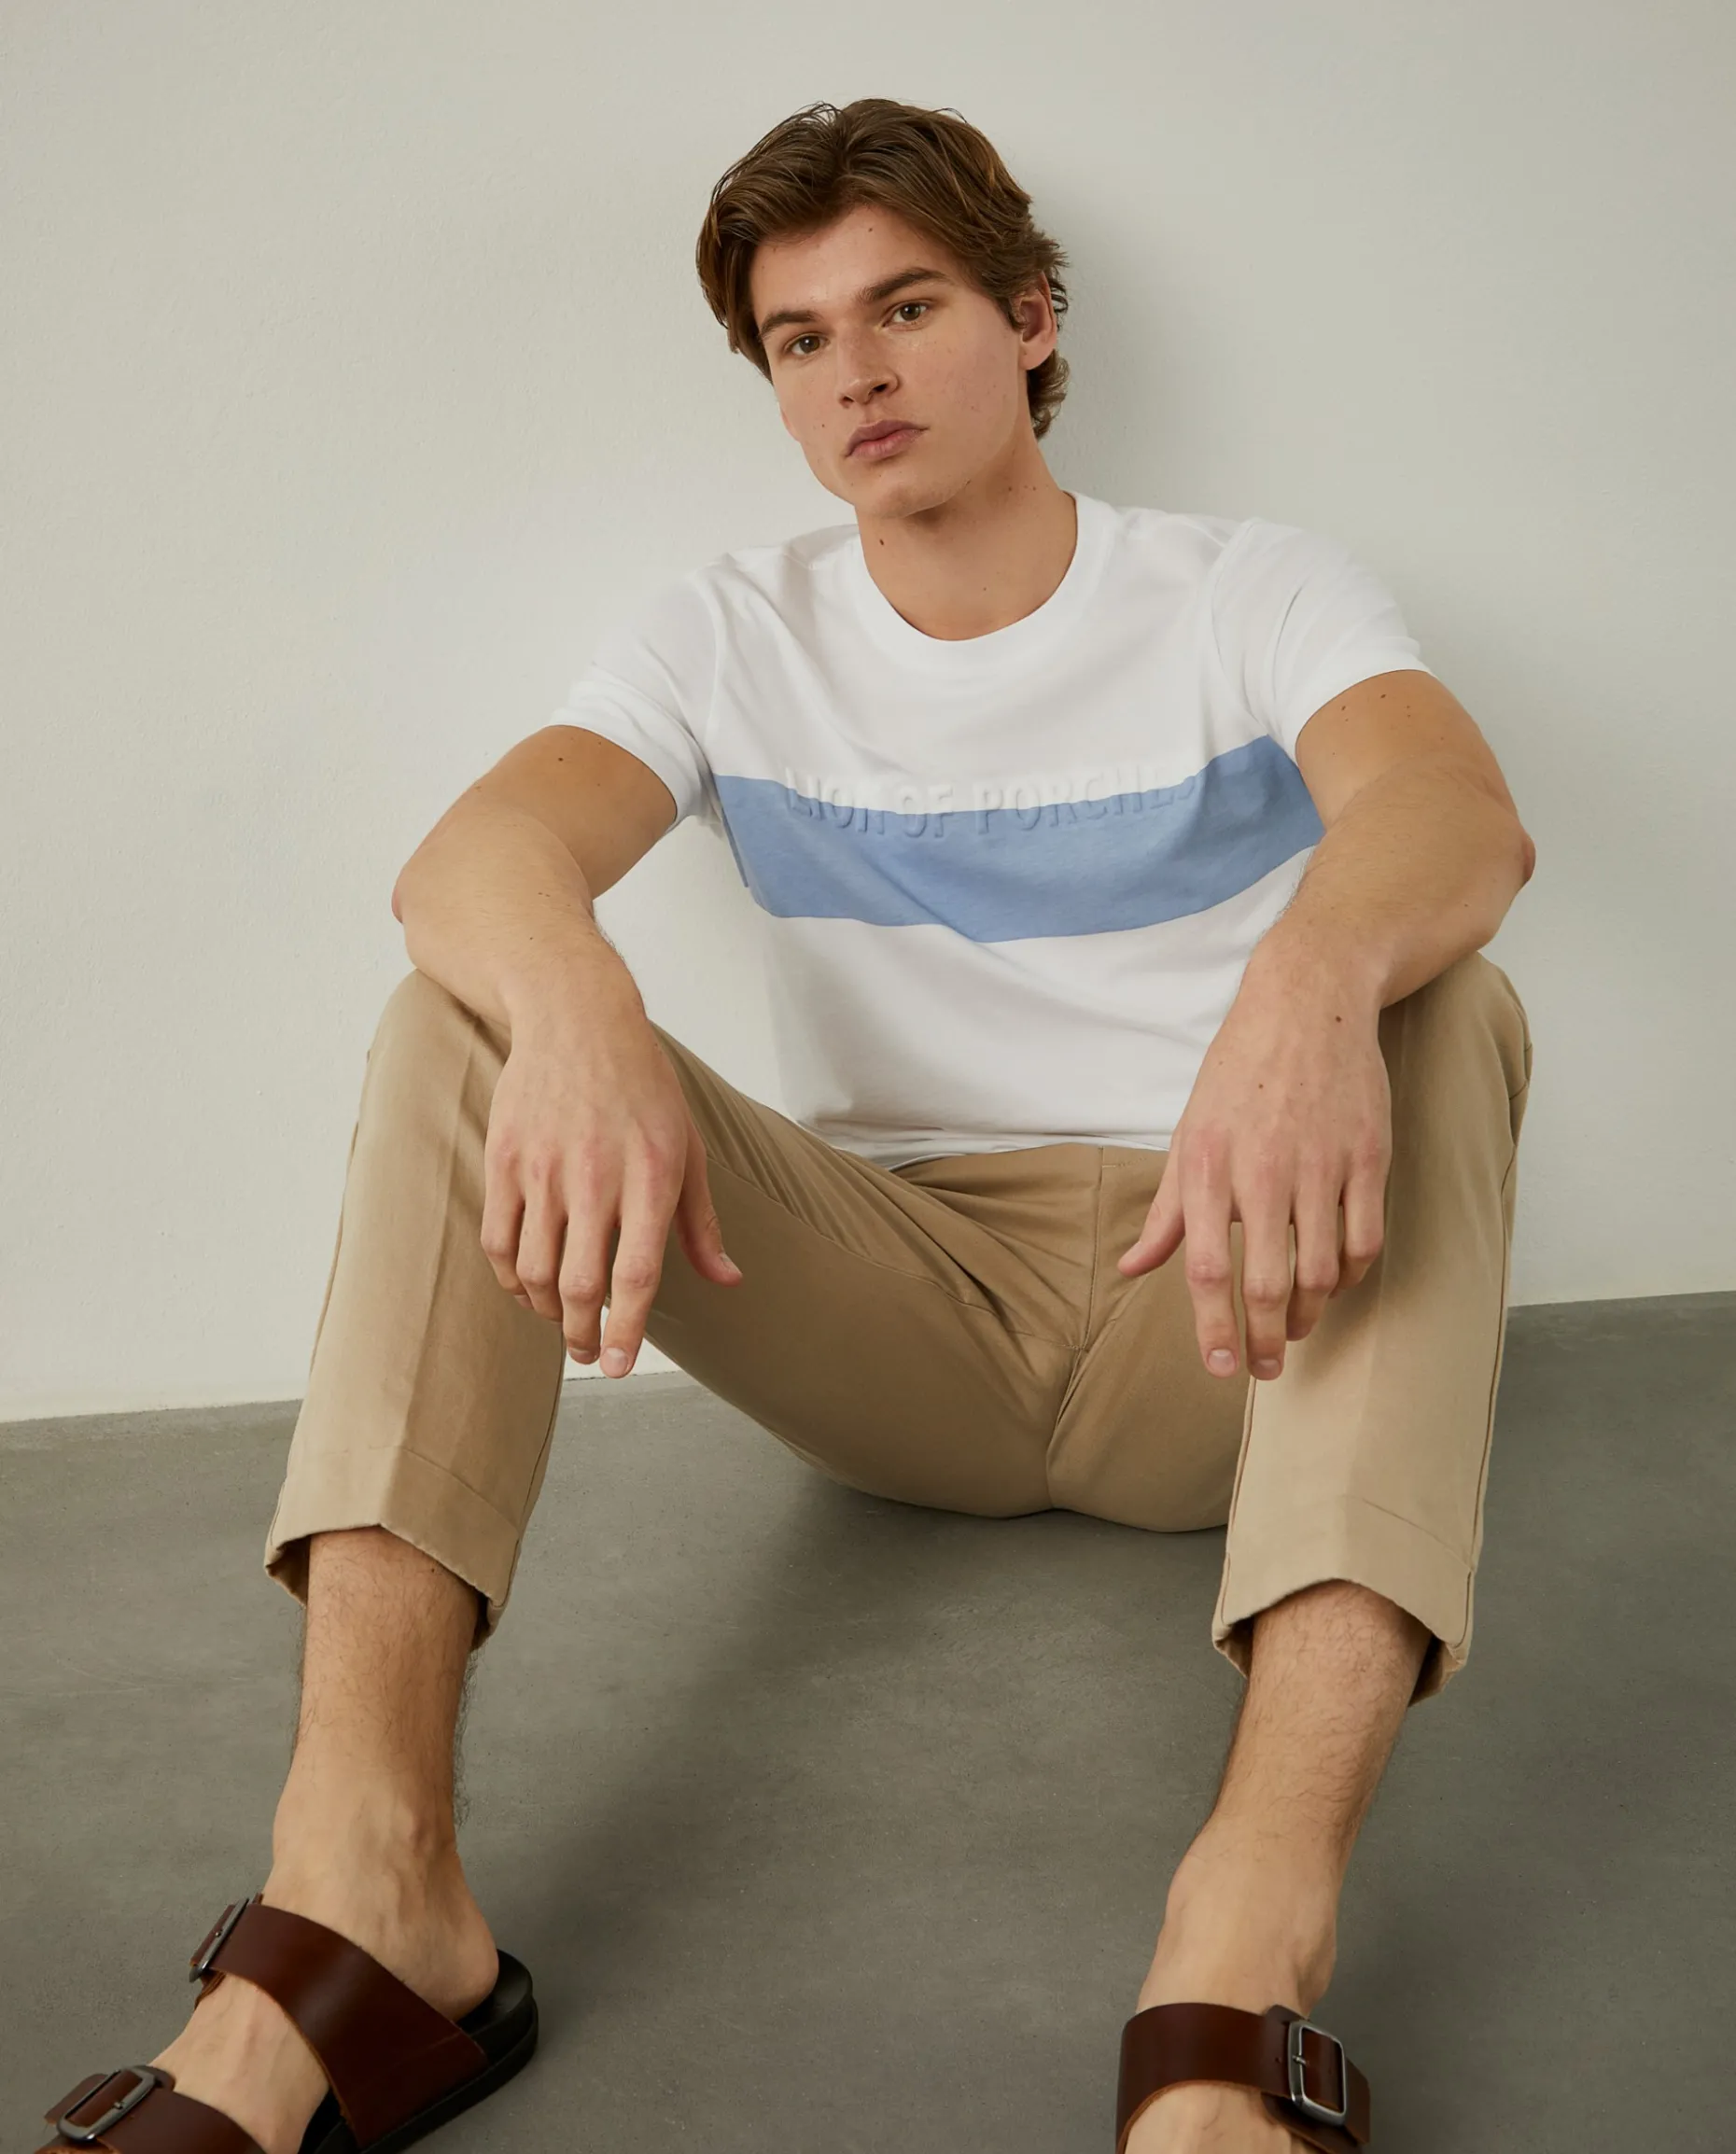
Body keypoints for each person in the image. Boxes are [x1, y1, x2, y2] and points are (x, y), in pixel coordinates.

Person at [36, 95, 1534, 2154]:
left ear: (1029, 318)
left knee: (1450, 998)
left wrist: (1305, 984)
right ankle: (367, 1882)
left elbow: (1452, 815)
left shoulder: (1244, 590)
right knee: (461, 1013)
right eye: (800, 338)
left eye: (906, 308)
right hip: (895, 1309)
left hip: (1230, 1305)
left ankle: (1242, 1942)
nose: (855, 374)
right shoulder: (733, 629)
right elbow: (472, 860)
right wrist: (576, 997)